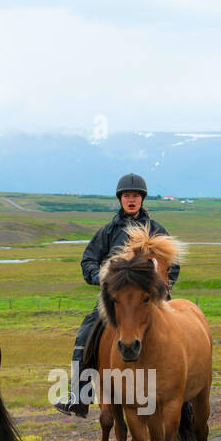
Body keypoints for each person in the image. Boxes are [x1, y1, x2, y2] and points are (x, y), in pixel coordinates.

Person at [53, 173, 180, 417]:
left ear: (142, 199)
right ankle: (79, 395)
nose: (131, 200)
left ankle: (182, 396)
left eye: (135, 196)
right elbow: (88, 259)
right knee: (85, 333)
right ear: (120, 199)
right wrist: (100, 277)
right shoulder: (108, 231)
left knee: (181, 333)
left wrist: (164, 285)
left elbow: (172, 264)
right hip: (117, 300)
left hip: (151, 300)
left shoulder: (157, 231)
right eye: (126, 195)